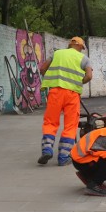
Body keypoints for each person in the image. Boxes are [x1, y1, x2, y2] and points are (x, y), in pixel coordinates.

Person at [38, 36, 93, 166]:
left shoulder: (57, 54)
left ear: (70, 45)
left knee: (50, 122)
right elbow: (89, 76)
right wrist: (79, 83)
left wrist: (51, 79)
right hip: (72, 94)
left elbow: (42, 69)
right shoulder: (84, 59)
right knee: (70, 125)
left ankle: (47, 149)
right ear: (80, 46)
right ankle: (63, 157)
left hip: (55, 92)